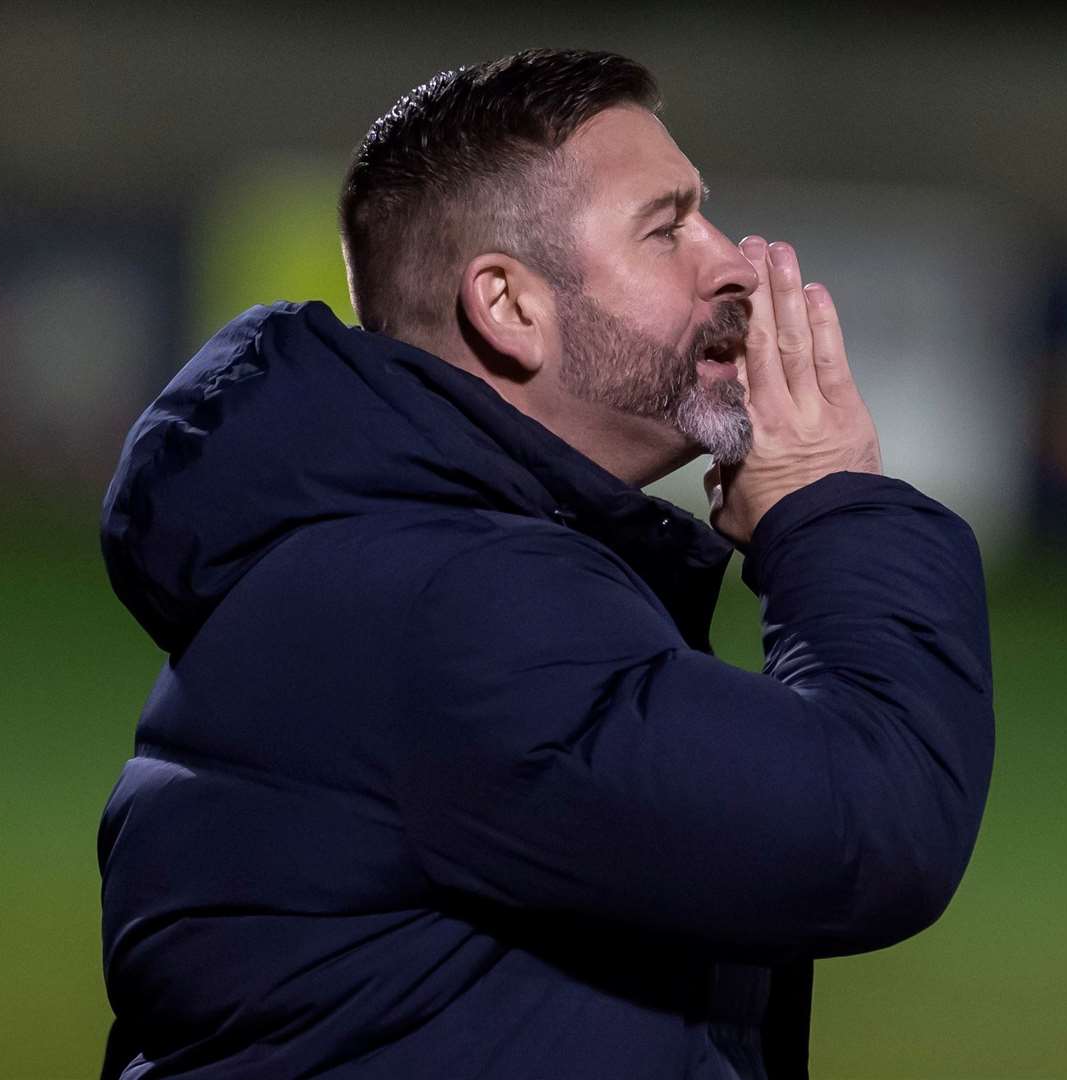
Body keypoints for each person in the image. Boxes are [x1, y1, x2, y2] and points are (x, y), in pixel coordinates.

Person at [97, 49, 993, 1080]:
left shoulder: (399, 556)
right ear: (509, 306)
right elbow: (870, 825)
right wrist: (833, 508)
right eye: (667, 228)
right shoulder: (453, 601)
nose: (734, 261)